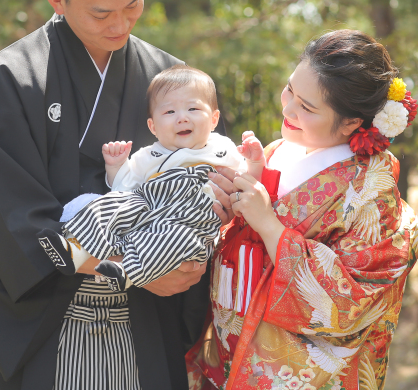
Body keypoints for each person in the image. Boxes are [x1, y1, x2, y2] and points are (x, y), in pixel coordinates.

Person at [0, 0, 217, 390]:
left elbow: (204, 190)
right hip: (54, 325)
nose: (121, 23)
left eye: (133, 4)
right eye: (102, 12)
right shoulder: (11, 79)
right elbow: (11, 216)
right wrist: (134, 269)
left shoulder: (169, 82)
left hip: (147, 321)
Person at [186, 30, 418, 390]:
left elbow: (352, 301)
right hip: (227, 345)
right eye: (290, 91)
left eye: (307, 107)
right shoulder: (275, 151)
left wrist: (270, 227)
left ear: (351, 122)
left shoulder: (371, 195)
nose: (287, 109)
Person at [43, 64, 267, 293]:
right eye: (169, 112)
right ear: (153, 126)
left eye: (193, 109)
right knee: (107, 205)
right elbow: (123, 188)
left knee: (172, 237)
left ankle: (125, 271)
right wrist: (116, 166)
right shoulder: (150, 154)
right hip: (149, 206)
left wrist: (255, 162)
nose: (182, 118)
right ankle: (76, 249)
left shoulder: (223, 148)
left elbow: (245, 183)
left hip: (192, 220)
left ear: (214, 119)